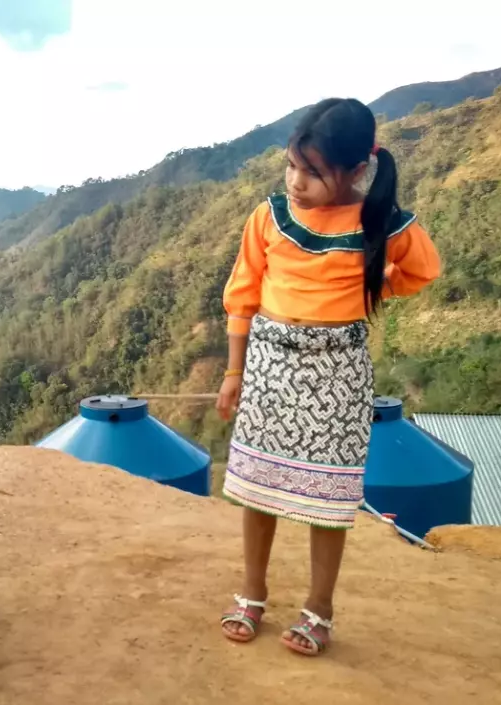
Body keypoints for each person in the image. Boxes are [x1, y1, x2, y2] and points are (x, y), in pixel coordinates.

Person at [215, 98, 441, 657]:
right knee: (259, 489)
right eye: (292, 166)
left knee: (329, 495)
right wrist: (233, 370)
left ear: (356, 171)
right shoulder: (269, 217)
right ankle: (252, 592)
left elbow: (421, 270)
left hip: (336, 373)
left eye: (314, 172)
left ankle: (320, 608)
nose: (297, 181)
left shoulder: (382, 224)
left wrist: (375, 282)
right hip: (268, 365)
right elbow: (242, 295)